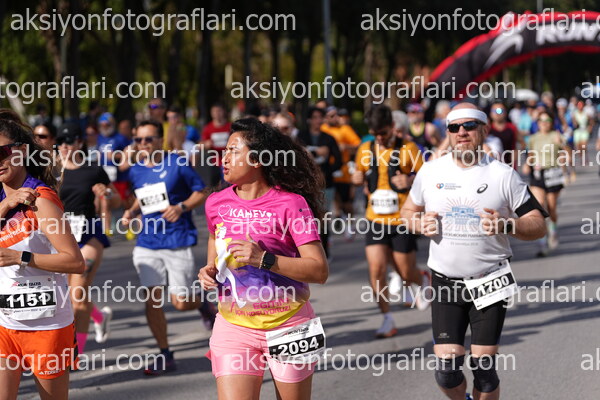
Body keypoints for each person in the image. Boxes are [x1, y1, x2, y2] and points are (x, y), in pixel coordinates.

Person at [401, 103, 547, 400]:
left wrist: (507, 224)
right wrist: (418, 223)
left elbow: (538, 224)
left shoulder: (503, 175)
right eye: (454, 127)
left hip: (489, 279)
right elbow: (407, 212)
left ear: (484, 130)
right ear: (447, 132)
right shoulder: (430, 171)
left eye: (469, 126)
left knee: (484, 370)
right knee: (447, 372)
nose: (462, 132)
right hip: (445, 282)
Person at [199, 118, 328, 400]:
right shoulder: (216, 203)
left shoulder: (291, 204)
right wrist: (210, 268)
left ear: (257, 160)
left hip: (290, 324)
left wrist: (264, 259)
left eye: (234, 151)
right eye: (225, 150)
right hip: (234, 326)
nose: (224, 158)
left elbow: (319, 270)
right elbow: (214, 237)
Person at [0, 109, 85, 399]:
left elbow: (75, 261)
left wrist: (20, 258)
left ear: (21, 151)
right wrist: (5, 205)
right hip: (5, 323)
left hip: (47, 325)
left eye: (2, 152)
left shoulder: (41, 199)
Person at [121, 120, 216, 375]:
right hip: (147, 242)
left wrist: (181, 207)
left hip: (177, 239)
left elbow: (202, 191)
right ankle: (165, 353)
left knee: (181, 303)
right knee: (152, 300)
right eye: (138, 140)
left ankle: (203, 304)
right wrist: (131, 213)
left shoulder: (177, 163)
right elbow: (141, 197)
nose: (143, 144)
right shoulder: (136, 170)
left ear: (159, 139)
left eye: (148, 139)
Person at [352, 104, 429, 338]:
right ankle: (387, 318)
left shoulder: (408, 148)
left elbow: (428, 177)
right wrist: (356, 178)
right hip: (375, 218)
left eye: (383, 133)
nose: (379, 138)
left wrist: (410, 180)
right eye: (375, 134)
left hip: (402, 219)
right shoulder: (365, 149)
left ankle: (422, 278)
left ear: (392, 127)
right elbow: (359, 175)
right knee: (376, 269)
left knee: (405, 272)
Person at [55, 122, 121, 353]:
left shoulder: (93, 170)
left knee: (78, 296)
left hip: (89, 236)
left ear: (79, 142)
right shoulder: (51, 169)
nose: (64, 146)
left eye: (69, 141)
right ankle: (100, 317)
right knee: (66, 295)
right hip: (60, 237)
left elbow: (117, 200)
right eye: (60, 142)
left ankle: (77, 352)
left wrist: (107, 194)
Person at [297, 106, 342, 259]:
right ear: (309, 119)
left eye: (320, 117)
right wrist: (315, 153)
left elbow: (338, 160)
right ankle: (308, 251)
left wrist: (326, 172)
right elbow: (297, 155)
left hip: (325, 184)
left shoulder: (329, 138)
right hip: (305, 184)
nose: (318, 121)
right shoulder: (301, 136)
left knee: (323, 217)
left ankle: (324, 250)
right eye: (315, 117)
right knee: (308, 217)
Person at [523, 111, 568, 256]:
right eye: (541, 120)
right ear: (537, 123)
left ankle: (553, 230)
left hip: (553, 174)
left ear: (551, 122)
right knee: (540, 206)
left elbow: (567, 152)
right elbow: (531, 154)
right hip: (537, 174)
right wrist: (527, 164)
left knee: (551, 208)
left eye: (547, 120)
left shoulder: (556, 135)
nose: (543, 123)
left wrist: (561, 143)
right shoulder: (533, 138)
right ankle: (542, 242)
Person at [321, 106, 361, 238]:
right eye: (332, 116)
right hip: (328, 170)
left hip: (343, 170)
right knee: (333, 199)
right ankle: (333, 225)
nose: (336, 118)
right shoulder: (322, 129)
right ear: (326, 118)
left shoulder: (345, 129)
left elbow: (358, 145)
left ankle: (349, 224)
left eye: (337, 115)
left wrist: (345, 147)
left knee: (346, 201)